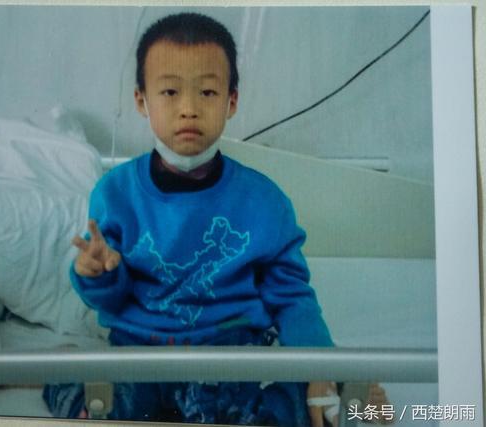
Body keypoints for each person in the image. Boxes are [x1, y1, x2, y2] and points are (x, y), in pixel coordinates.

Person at [45, 12, 387, 426]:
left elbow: (292, 297)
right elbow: (111, 300)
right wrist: (99, 275)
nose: (189, 109)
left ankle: (330, 388)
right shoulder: (115, 193)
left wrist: (321, 367)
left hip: (231, 353)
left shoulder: (264, 201)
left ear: (231, 101)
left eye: (207, 92)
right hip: (140, 352)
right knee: (96, 403)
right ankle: (72, 376)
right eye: (170, 91)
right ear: (141, 101)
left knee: (292, 411)